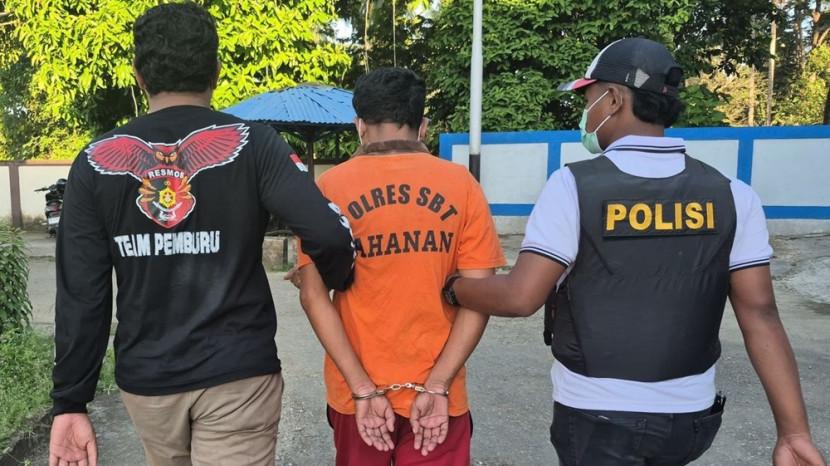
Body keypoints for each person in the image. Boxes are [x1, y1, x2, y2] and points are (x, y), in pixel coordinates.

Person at [441, 38, 826, 466]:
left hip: (597, 415)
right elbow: (761, 314)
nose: (586, 115)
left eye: (588, 100)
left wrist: (456, 288)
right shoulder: (732, 194)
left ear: (614, 99)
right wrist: (794, 432)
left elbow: (520, 297)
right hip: (690, 419)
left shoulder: (573, 186)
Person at [48, 4, 355, 466]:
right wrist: (340, 277)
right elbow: (329, 234)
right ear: (216, 70)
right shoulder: (255, 143)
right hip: (238, 374)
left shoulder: (94, 160)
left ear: (138, 76)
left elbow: (82, 293)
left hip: (149, 382)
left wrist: (71, 401)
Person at [291, 67, 505, 466]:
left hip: (357, 394)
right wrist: (438, 384)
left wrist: (362, 388)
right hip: (438, 394)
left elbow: (312, 297)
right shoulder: (461, 184)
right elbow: (480, 297)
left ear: (359, 125)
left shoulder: (329, 187)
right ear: (423, 125)